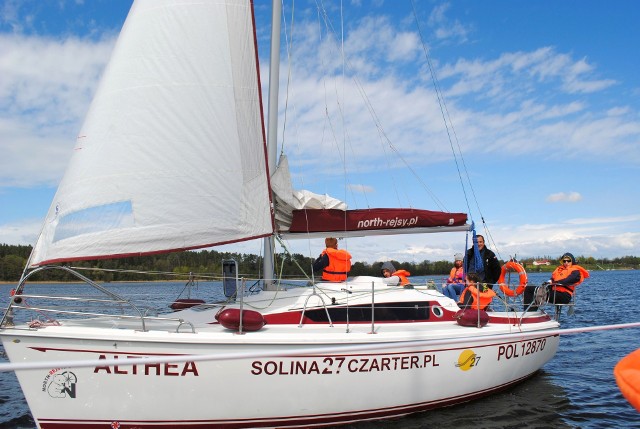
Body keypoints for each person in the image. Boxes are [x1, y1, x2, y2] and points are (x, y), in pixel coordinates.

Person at [523, 252, 589, 311]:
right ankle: (529, 312)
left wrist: (555, 283)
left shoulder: (575, 271)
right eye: (564, 261)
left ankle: (530, 312)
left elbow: (569, 280)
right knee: (529, 288)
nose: (566, 262)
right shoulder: (559, 270)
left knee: (538, 291)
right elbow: (552, 279)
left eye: (568, 261)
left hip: (564, 296)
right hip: (554, 292)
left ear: (572, 261)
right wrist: (549, 282)